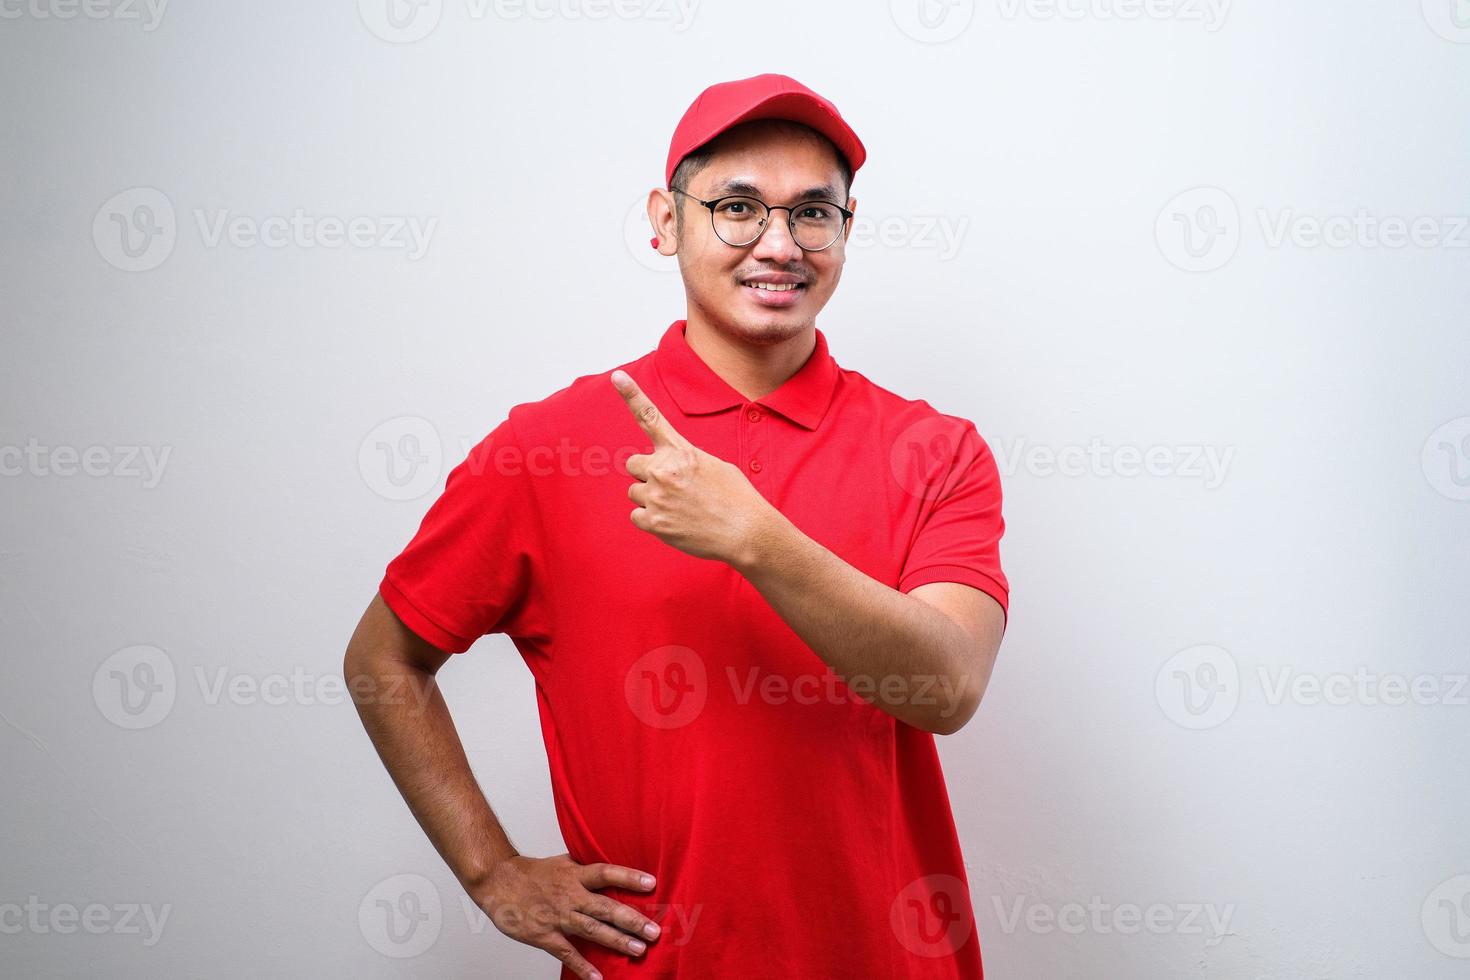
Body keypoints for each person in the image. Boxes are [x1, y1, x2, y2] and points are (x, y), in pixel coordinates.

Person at [345, 72, 1009, 979]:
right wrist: (492, 869)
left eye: (813, 214)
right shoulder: (547, 448)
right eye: (738, 207)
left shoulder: (933, 450)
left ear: (847, 231)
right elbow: (384, 658)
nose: (779, 245)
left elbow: (947, 688)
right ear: (666, 220)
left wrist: (756, 538)